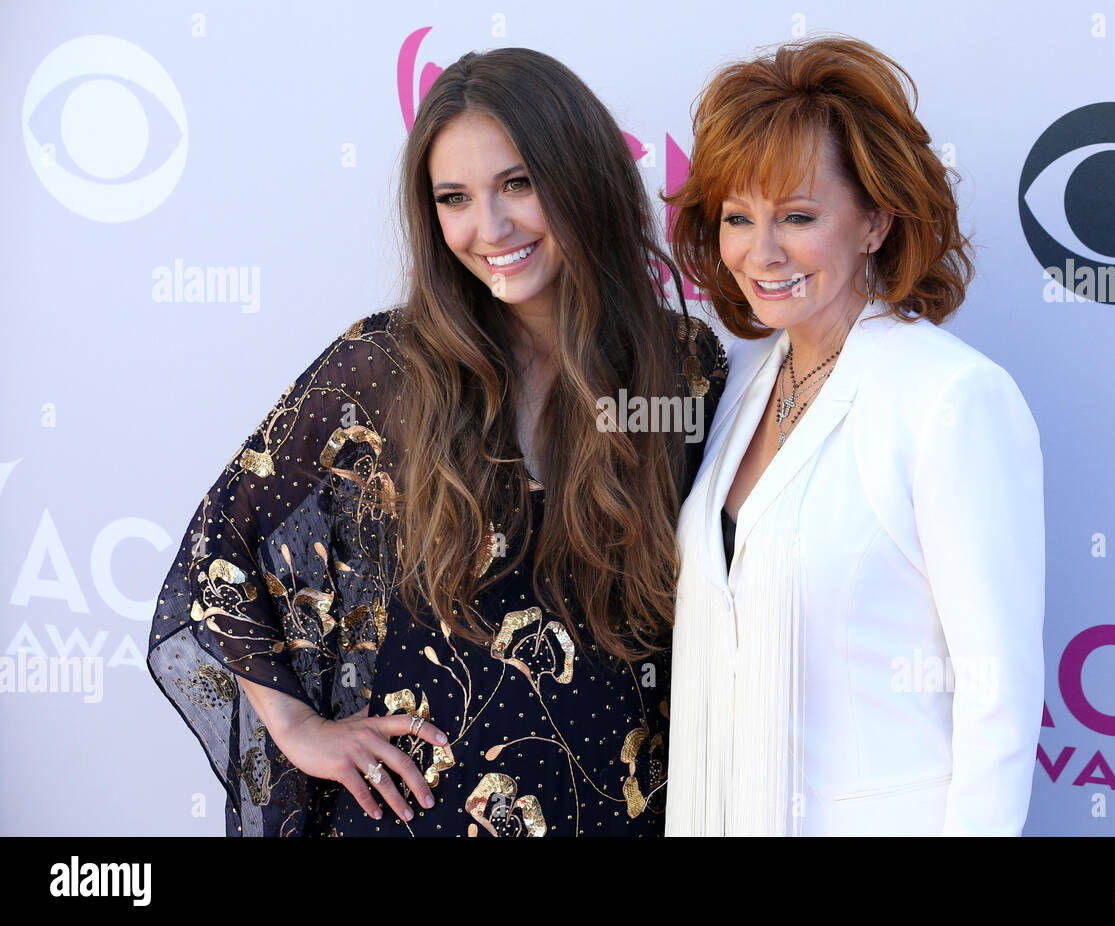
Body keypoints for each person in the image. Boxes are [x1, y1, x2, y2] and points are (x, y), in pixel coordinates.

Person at [147, 46, 726, 837]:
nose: (489, 227)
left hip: (625, 815)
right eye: (455, 197)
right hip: (420, 816)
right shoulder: (383, 373)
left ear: (583, 176)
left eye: (518, 183)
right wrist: (297, 729)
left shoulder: (681, 372)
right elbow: (219, 553)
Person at [663, 35, 1044, 836]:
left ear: (874, 220)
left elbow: (996, 694)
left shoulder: (951, 398)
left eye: (798, 216)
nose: (760, 253)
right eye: (739, 217)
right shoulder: (740, 380)